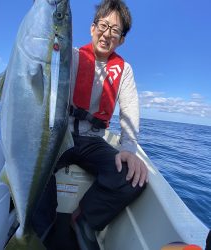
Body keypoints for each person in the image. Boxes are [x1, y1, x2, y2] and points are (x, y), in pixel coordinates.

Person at [32, 0, 148, 249]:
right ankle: (42, 231)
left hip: (93, 141)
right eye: (103, 26)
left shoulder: (124, 70)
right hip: (59, 135)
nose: (107, 34)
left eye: (115, 31)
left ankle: (84, 220)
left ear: (122, 39)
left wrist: (128, 147)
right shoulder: (70, 56)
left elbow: (129, 112)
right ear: (92, 28)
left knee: (133, 179)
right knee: (37, 173)